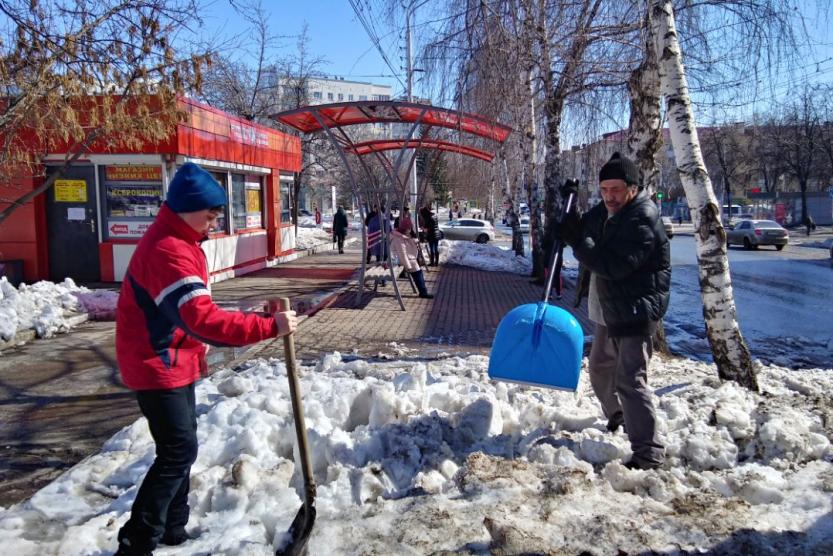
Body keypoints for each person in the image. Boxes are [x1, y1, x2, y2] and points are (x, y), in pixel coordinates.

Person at [114, 162, 298, 555]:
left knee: (181, 447)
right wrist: (270, 327)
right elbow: (200, 319)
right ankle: (137, 539)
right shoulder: (168, 251)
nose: (214, 223)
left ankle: (171, 530)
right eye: (210, 215)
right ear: (187, 207)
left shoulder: (180, 242)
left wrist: (255, 313)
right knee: (178, 450)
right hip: (155, 364)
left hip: (172, 361)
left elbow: (191, 307)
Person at [557, 152, 670, 471]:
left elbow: (614, 265)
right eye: (605, 189)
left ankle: (649, 452)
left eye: (616, 189)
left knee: (631, 380)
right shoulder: (608, 211)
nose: (610, 196)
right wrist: (566, 210)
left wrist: (578, 242)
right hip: (611, 307)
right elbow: (583, 227)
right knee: (600, 367)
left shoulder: (641, 217)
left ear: (632, 188)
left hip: (636, 309)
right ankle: (620, 414)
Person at [390, 219, 434, 299]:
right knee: (417, 272)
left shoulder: (403, 235)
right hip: (399, 260)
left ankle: (423, 291)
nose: (409, 230)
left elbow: (408, 245)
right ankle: (423, 292)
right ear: (404, 228)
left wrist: (414, 240)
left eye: (410, 228)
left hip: (406, 258)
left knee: (418, 271)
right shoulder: (398, 238)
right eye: (408, 228)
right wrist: (408, 266)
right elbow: (402, 253)